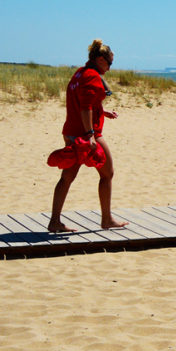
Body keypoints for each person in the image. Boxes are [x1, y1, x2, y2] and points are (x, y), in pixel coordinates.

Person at [48, 39, 127, 233]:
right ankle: (107, 219)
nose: (109, 68)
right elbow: (85, 107)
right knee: (107, 174)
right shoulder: (92, 76)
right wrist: (90, 134)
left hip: (71, 132)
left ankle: (54, 221)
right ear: (100, 59)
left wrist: (103, 111)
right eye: (109, 63)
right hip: (85, 135)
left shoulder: (79, 73)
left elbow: (87, 103)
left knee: (67, 176)